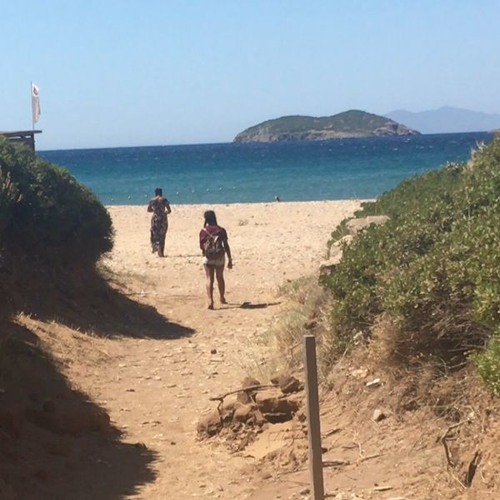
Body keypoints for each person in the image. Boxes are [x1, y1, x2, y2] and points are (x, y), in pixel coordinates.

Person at [199, 210, 233, 310]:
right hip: (219, 257)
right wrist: (230, 259)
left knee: (209, 278)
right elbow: (226, 245)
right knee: (220, 277)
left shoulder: (203, 231)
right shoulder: (221, 230)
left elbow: (201, 247)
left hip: (208, 257)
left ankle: (210, 300)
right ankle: (222, 297)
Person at [147, 188, 171, 257]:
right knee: (162, 235)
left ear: (155, 193)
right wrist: (164, 212)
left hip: (155, 218)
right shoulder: (164, 200)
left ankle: (156, 246)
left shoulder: (152, 200)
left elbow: (148, 210)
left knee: (154, 234)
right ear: (161, 193)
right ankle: (161, 253)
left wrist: (155, 211)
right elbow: (169, 210)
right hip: (163, 218)